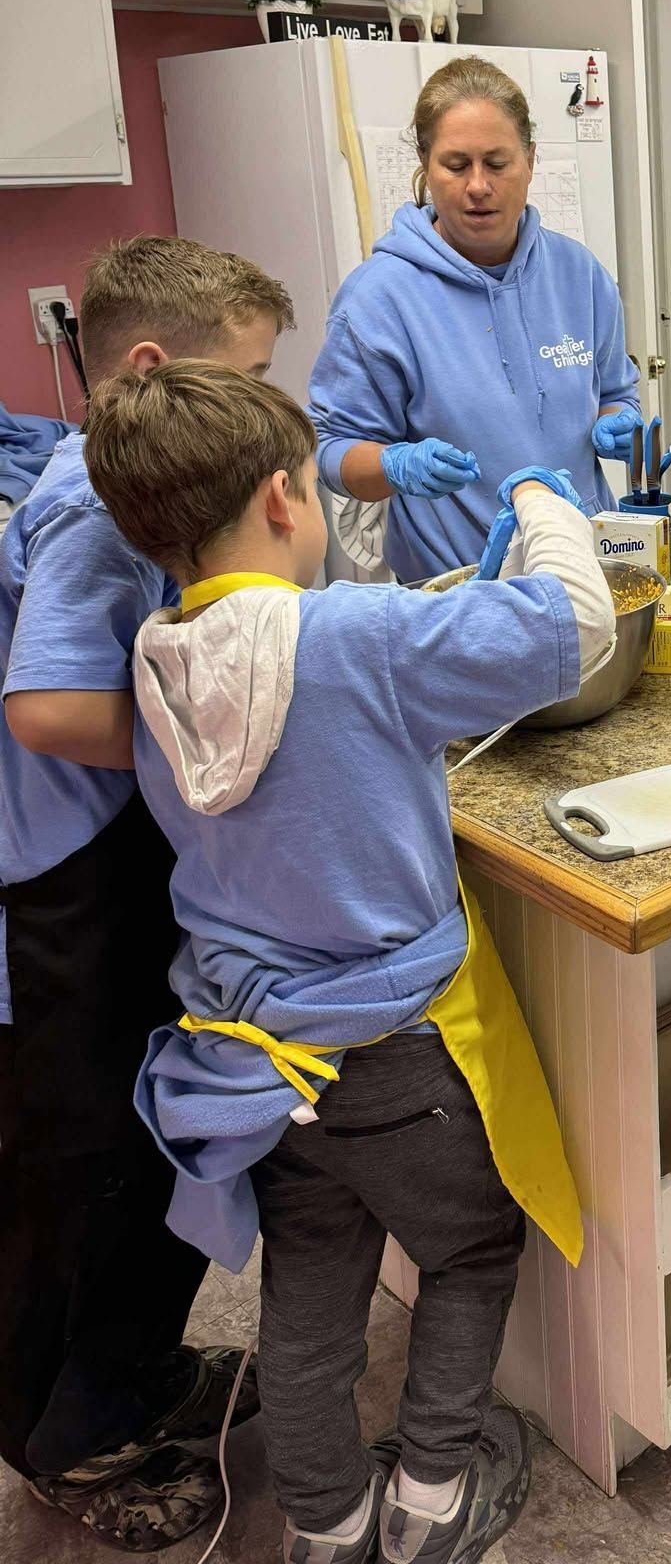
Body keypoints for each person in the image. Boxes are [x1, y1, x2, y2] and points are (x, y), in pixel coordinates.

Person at [84, 361, 614, 1564]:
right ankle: (431, 1494)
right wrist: (544, 499)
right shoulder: (355, 634)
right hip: (393, 1055)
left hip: (257, 1057)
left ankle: (324, 1517)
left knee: (313, 1275)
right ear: (284, 498)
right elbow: (575, 623)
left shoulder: (158, 652)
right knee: (470, 1248)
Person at [0, 237, 292, 1551]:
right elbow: (54, 705)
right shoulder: (93, 510)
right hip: (67, 895)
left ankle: (137, 1379)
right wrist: (210, 730)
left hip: (99, 864)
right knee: (97, 1174)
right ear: (156, 372)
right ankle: (71, 1445)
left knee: (145, 1153)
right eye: (249, 382)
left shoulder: (122, 486)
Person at [309, 55, 643, 584]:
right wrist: (397, 465)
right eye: (456, 165)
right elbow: (331, 452)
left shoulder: (579, 274)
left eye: (498, 162)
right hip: (454, 594)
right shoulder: (378, 299)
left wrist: (617, 423)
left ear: (531, 160)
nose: (479, 186)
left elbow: (617, 393)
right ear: (425, 164)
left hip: (583, 575)